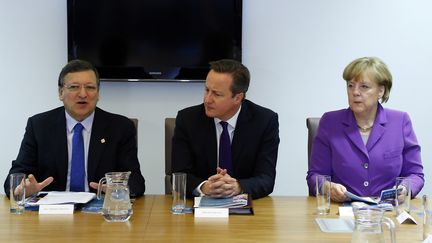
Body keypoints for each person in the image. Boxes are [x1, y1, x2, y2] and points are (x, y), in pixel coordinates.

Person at [4, 59, 145, 197]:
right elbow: (16, 175)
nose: (83, 94)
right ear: (60, 93)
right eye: (74, 87)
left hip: (100, 211)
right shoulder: (39, 126)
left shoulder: (120, 127)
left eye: (90, 87)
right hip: (52, 214)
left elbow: (136, 182)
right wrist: (22, 189)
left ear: (98, 93)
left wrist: (118, 189)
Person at [306, 57, 424, 202]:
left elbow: (415, 174)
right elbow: (315, 176)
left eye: (364, 87)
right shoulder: (330, 122)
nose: (355, 92)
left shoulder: (400, 121)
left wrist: (404, 189)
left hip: (387, 211)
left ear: (381, 91)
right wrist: (327, 187)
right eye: (350, 85)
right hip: (342, 211)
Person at [171, 59, 280, 199]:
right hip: (199, 208)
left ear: (238, 98)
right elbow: (179, 175)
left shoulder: (264, 121)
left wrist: (238, 187)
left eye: (217, 94)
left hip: (247, 210)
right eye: (206, 90)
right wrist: (205, 187)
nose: (207, 99)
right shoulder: (188, 119)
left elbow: (266, 179)